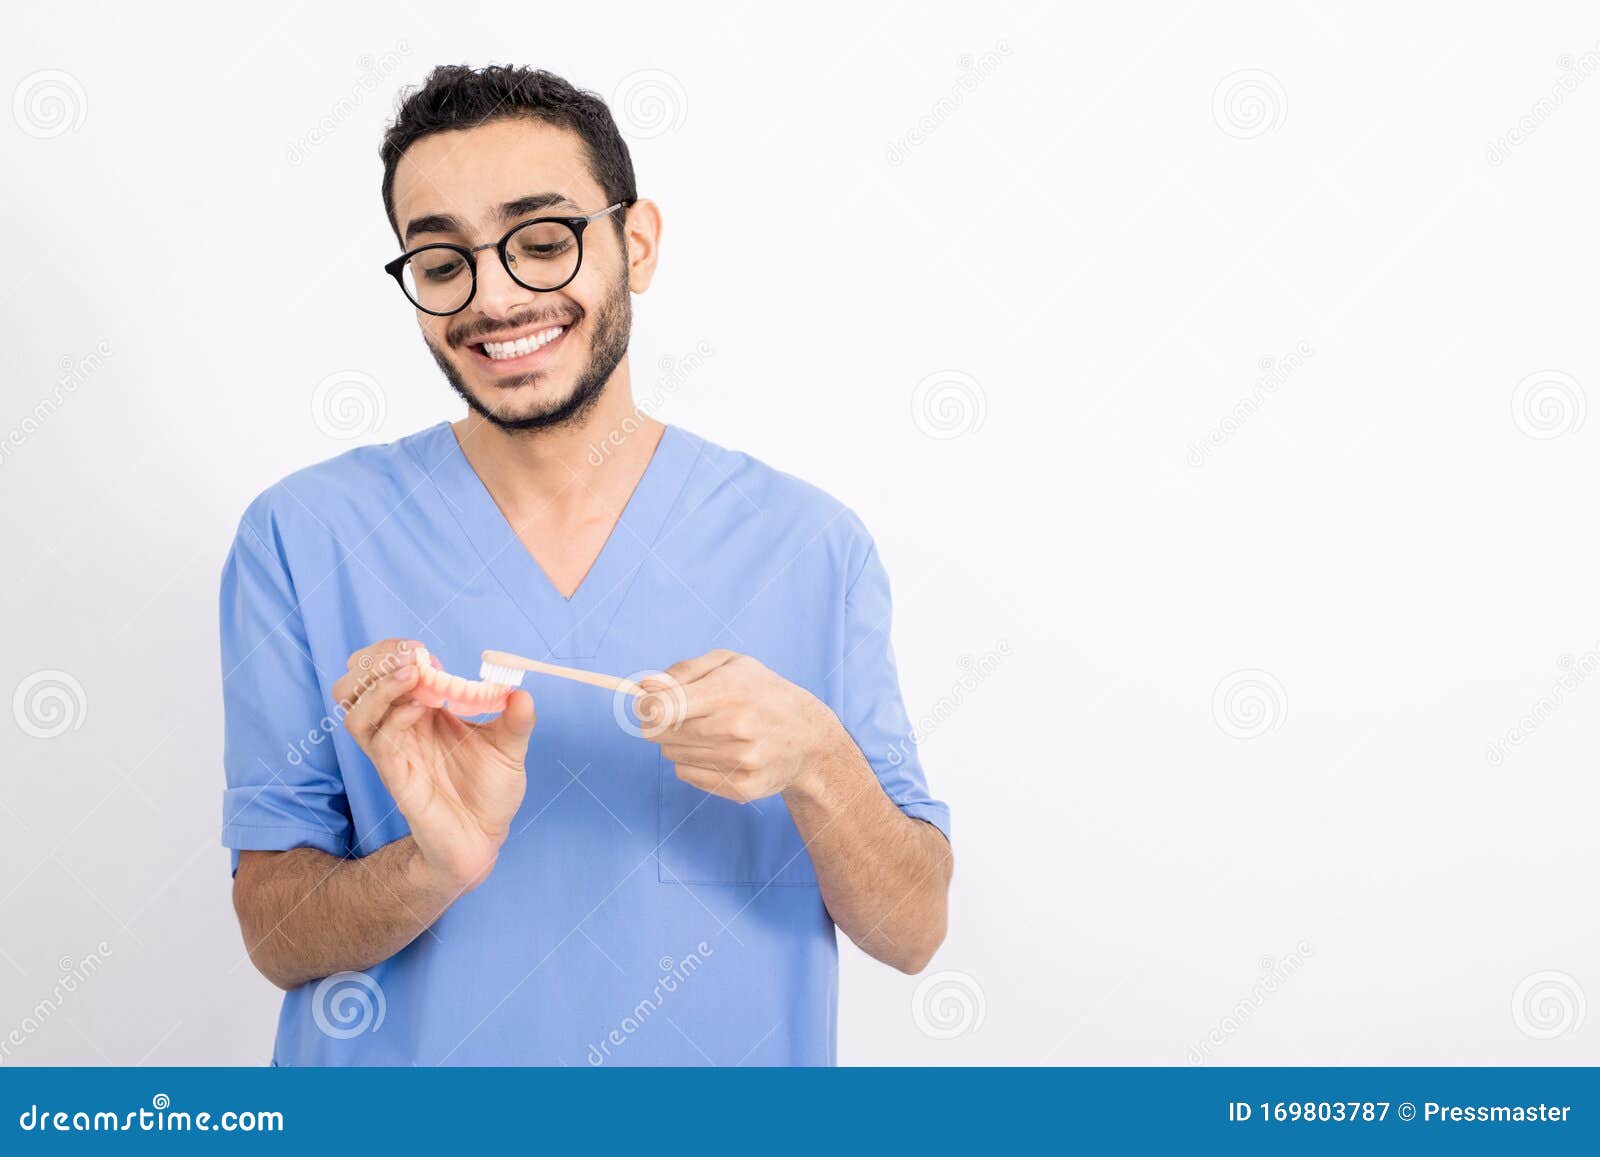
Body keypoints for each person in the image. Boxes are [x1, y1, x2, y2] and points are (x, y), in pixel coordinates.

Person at [220, 65, 952, 1066]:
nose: (496, 297)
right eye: (441, 261)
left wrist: (820, 761)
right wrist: (434, 864)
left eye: (542, 239)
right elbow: (274, 934)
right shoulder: (303, 536)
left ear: (635, 243)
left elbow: (912, 931)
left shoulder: (807, 544)